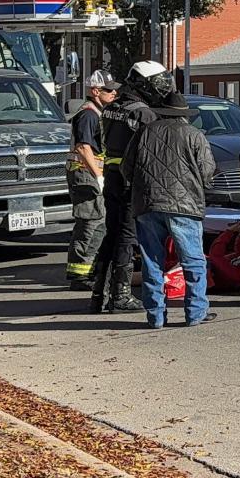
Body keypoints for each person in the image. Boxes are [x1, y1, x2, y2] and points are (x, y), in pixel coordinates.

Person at [122, 90, 217, 329]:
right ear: (185, 115)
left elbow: (126, 168)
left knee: (151, 261)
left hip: (147, 204)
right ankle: (196, 313)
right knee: (193, 261)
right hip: (185, 206)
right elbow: (207, 171)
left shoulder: (143, 133)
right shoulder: (194, 135)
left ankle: (155, 316)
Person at [90, 61, 168, 313]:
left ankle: (98, 294)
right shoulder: (143, 113)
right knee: (126, 238)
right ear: (143, 83)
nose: (161, 88)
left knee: (111, 234)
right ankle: (120, 295)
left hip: (112, 177)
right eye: (158, 82)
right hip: (130, 182)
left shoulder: (112, 108)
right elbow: (151, 154)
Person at [63, 70, 119, 290]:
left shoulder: (97, 112)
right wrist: (98, 176)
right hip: (85, 176)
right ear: (95, 91)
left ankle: (88, 270)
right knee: (90, 223)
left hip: (89, 174)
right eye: (109, 89)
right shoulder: (88, 115)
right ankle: (79, 275)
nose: (114, 93)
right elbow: (84, 147)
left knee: (99, 222)